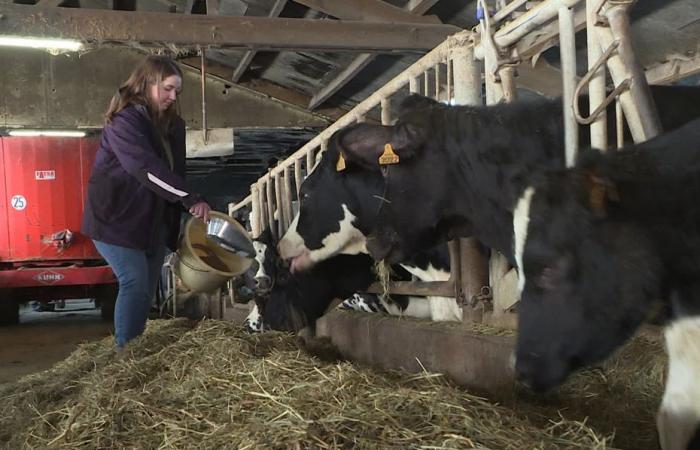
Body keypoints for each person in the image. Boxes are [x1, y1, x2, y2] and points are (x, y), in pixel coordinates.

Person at [82, 55, 211, 350]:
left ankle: (135, 346)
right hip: (116, 220)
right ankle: (125, 353)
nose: (172, 96)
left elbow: (174, 173)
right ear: (147, 82)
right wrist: (190, 198)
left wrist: (177, 223)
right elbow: (146, 168)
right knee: (135, 283)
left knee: (146, 289)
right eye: (167, 88)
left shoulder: (172, 125)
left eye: (177, 91)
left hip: (150, 222)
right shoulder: (124, 121)